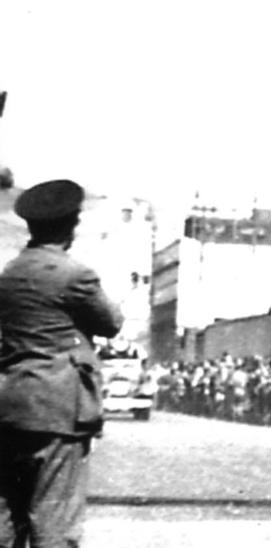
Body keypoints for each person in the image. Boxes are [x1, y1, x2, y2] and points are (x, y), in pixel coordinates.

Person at [0, 179, 124, 548]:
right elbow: (111, 323)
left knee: (7, 515)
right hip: (57, 409)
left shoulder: (8, 275)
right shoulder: (75, 276)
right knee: (54, 520)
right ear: (71, 225)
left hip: (8, 404)